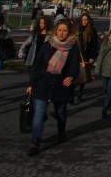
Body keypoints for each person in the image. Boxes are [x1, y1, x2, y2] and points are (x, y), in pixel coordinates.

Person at [26, 18, 80, 156]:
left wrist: (71, 76)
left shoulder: (73, 47)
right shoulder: (47, 45)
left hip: (61, 84)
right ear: (56, 31)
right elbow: (37, 65)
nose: (61, 33)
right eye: (60, 30)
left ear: (69, 32)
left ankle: (61, 133)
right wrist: (31, 84)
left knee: (61, 112)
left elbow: (75, 65)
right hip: (43, 83)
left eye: (65, 31)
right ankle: (35, 141)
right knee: (39, 113)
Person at [74, 12, 99, 103]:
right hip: (76, 55)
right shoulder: (77, 30)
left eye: (85, 20)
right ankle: (72, 93)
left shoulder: (92, 30)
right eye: (82, 20)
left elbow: (94, 45)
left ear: (88, 21)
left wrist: (92, 57)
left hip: (86, 55)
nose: (84, 22)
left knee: (83, 74)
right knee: (74, 74)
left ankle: (80, 93)